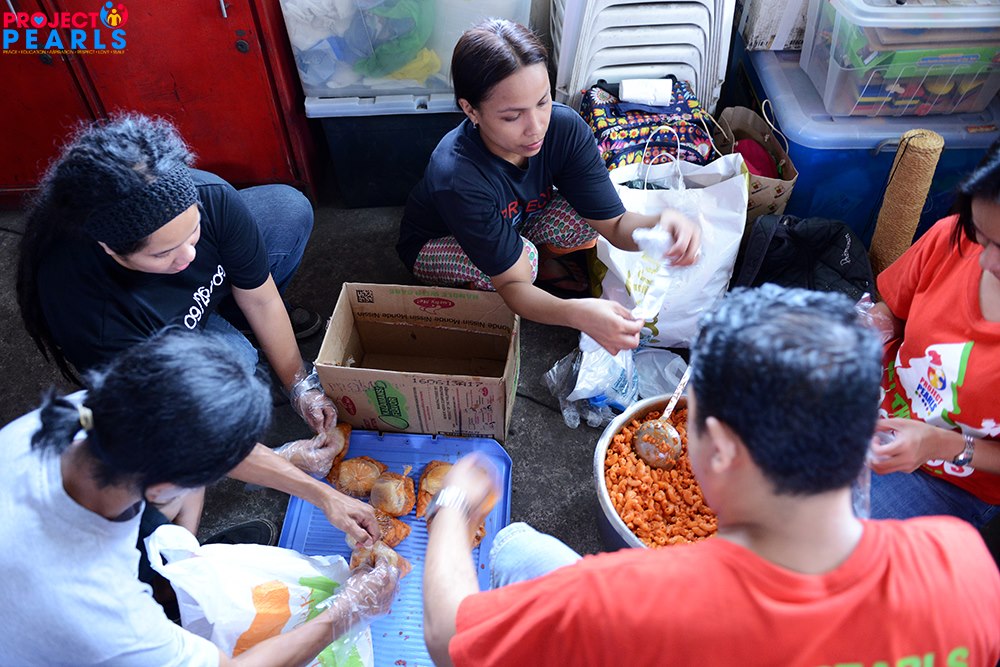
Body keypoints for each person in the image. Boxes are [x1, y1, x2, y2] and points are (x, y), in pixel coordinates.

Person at [421, 285, 1000, 667]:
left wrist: (454, 506)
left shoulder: (621, 599)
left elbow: (449, 638)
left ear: (719, 449)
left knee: (517, 547)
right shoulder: (964, 564)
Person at [15, 114, 379, 555]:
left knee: (286, 210)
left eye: (193, 232)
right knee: (237, 359)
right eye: (164, 253)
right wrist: (297, 473)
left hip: (189, 309)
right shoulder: (96, 315)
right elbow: (178, 429)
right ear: (110, 248)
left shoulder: (210, 196)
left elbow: (262, 299)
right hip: (155, 339)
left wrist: (300, 384)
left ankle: (222, 318)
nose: (188, 255)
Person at [0, 329, 399, 666]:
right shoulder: (107, 609)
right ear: (162, 486)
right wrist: (345, 612)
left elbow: (205, 437)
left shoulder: (97, 413)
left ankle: (172, 577)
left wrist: (324, 495)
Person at [396, 19, 701, 355]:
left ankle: (529, 260)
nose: (536, 127)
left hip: (517, 220)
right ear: (471, 110)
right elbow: (513, 284)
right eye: (512, 116)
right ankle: (507, 277)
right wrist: (575, 313)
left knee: (586, 214)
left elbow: (615, 223)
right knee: (524, 263)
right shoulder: (458, 176)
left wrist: (661, 223)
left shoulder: (564, 127)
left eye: (542, 102)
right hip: (435, 242)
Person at [865, 138, 1000, 528]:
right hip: (873, 404)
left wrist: (941, 444)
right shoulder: (951, 237)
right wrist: (860, 333)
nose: (986, 262)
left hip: (952, 477)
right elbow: (894, 311)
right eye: (981, 237)